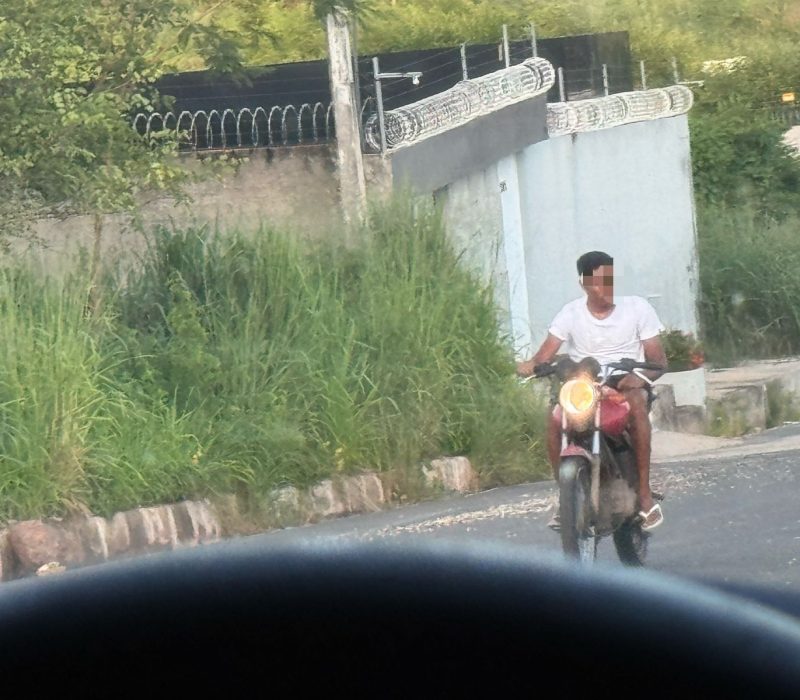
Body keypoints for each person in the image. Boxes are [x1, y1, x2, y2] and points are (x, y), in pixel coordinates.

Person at [516, 251, 667, 531]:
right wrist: (530, 366)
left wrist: (639, 378)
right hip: (586, 382)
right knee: (555, 416)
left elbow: (658, 361)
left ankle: (645, 496)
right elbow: (544, 355)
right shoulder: (570, 313)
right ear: (584, 284)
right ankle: (565, 497)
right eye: (599, 282)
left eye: (610, 280)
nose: (607, 288)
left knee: (636, 403)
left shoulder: (637, 308)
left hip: (626, 380)